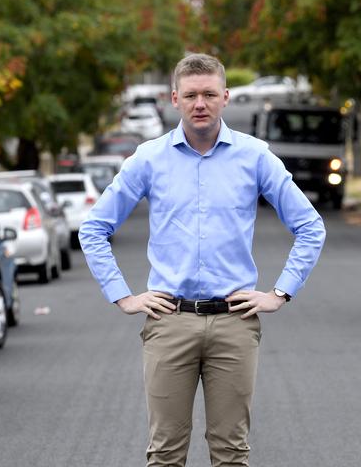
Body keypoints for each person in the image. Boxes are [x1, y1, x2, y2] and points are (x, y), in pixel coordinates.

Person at [79, 53, 326, 467]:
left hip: (235, 322)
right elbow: (93, 229)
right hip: (169, 322)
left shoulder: (255, 156)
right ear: (174, 98)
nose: (200, 103)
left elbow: (310, 226)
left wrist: (280, 292)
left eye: (209, 94)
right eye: (191, 94)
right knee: (165, 454)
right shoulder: (148, 158)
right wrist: (123, 296)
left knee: (231, 453)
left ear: (225, 97)